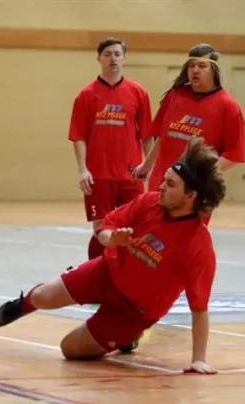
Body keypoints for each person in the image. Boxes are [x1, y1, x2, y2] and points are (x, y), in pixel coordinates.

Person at [0, 137, 226, 375]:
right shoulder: (149, 202)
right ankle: (23, 304)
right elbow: (106, 227)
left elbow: (199, 308)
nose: (162, 186)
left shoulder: (199, 245)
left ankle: (128, 336)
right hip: (105, 272)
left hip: (132, 312)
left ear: (190, 196)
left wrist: (199, 359)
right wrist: (111, 239)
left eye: (171, 184)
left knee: (70, 349)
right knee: (42, 297)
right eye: (164, 180)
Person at [68, 38, 154, 260]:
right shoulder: (86, 95)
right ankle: (96, 270)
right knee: (102, 229)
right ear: (99, 59)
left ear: (124, 59)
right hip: (99, 175)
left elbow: (147, 136)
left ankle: (127, 273)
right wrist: (82, 170)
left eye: (117, 54)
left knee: (133, 227)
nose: (113, 58)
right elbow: (78, 137)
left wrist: (148, 166)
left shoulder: (138, 93)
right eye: (107, 54)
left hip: (131, 174)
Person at [133, 44, 245, 199]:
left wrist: (201, 175)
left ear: (214, 70)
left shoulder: (228, 107)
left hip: (193, 190)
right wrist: (147, 165)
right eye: (191, 66)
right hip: (160, 183)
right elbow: (163, 137)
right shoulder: (175, 95)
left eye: (202, 66)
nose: (195, 70)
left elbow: (233, 156)